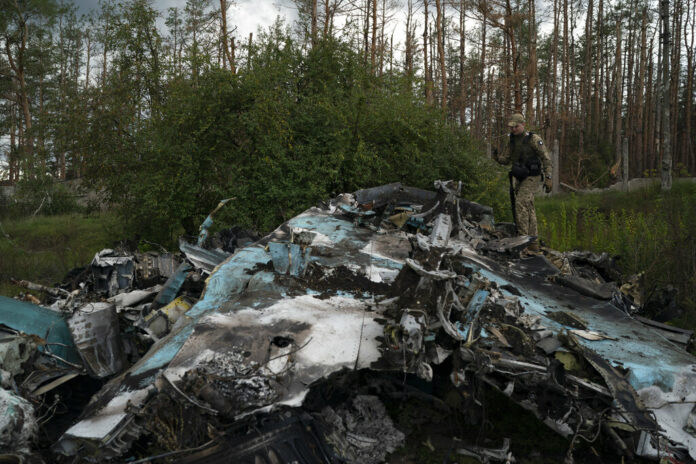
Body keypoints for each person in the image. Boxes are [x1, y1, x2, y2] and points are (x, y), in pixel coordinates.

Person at [493, 113, 552, 243]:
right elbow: (506, 160)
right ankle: (533, 241)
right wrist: (496, 157)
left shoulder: (533, 139)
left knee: (520, 203)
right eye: (511, 127)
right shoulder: (512, 141)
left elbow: (546, 158)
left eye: (516, 126)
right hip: (520, 177)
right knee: (528, 207)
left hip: (533, 177)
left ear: (523, 125)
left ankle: (523, 240)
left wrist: (548, 177)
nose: (513, 129)